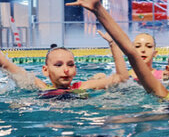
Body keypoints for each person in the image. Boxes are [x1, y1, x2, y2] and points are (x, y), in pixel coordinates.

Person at [0, 30, 128, 94]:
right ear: (45, 70)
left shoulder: (82, 87)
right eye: (58, 65)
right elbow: (6, 64)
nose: (66, 70)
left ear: (75, 70)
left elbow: (121, 78)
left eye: (70, 65)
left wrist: (113, 43)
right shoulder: (42, 87)